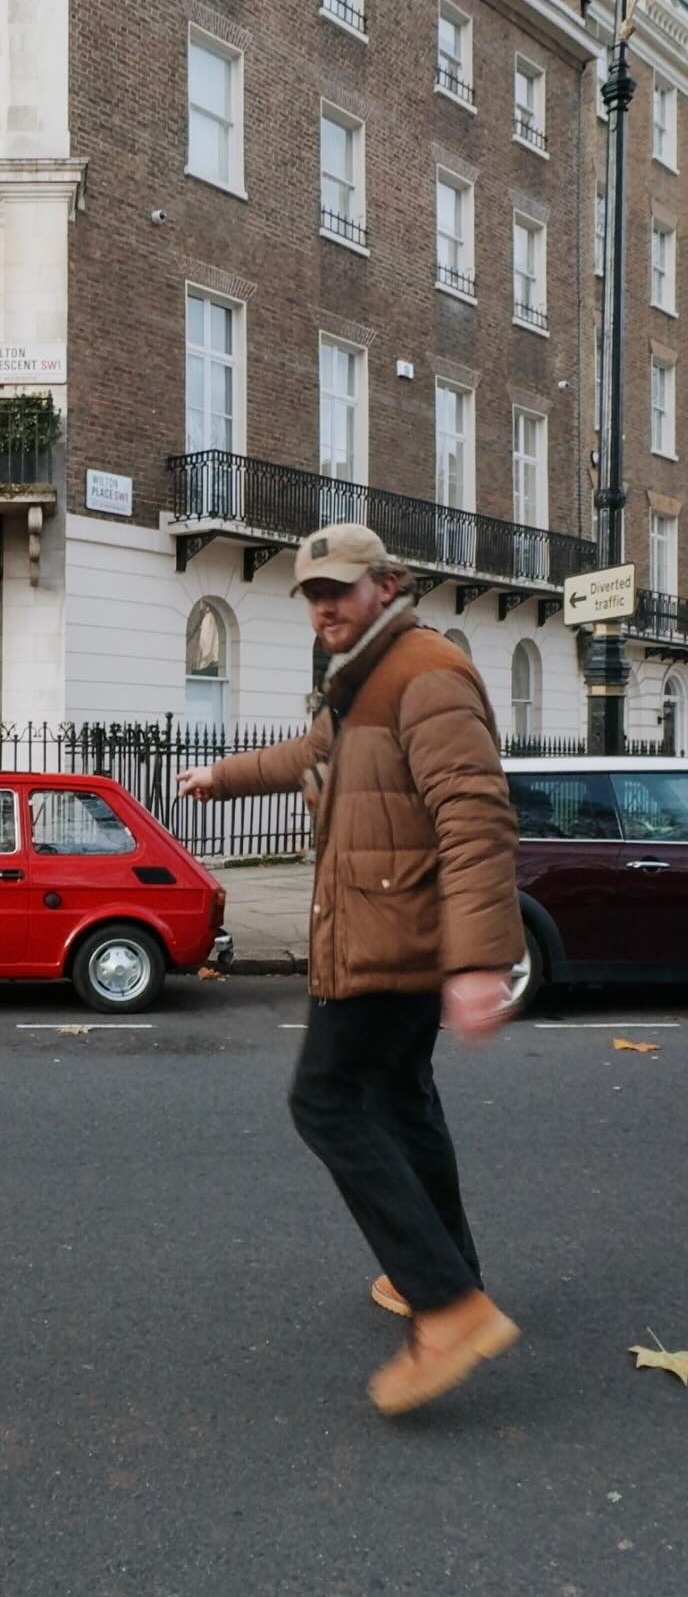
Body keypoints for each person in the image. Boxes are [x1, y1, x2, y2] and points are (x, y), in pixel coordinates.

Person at [177, 523, 523, 1416]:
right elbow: (312, 754)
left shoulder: (424, 671)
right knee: (403, 1101)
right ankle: (445, 1273)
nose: (324, 603)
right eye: (312, 591)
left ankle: (448, 1308)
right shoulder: (360, 681)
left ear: (387, 583)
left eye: (340, 587)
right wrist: (223, 774)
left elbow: (476, 813)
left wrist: (480, 959)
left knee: (324, 1099)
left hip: (389, 939)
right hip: (384, 932)